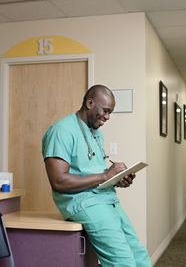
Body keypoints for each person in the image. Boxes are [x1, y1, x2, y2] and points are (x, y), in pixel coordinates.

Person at [42, 84, 152, 267]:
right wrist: (105, 176)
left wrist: (117, 179)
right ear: (90, 102)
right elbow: (58, 181)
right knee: (124, 262)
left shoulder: (96, 134)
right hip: (83, 203)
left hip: (106, 199)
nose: (107, 117)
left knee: (140, 257)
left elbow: (94, 173)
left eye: (110, 113)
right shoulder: (61, 131)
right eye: (106, 111)